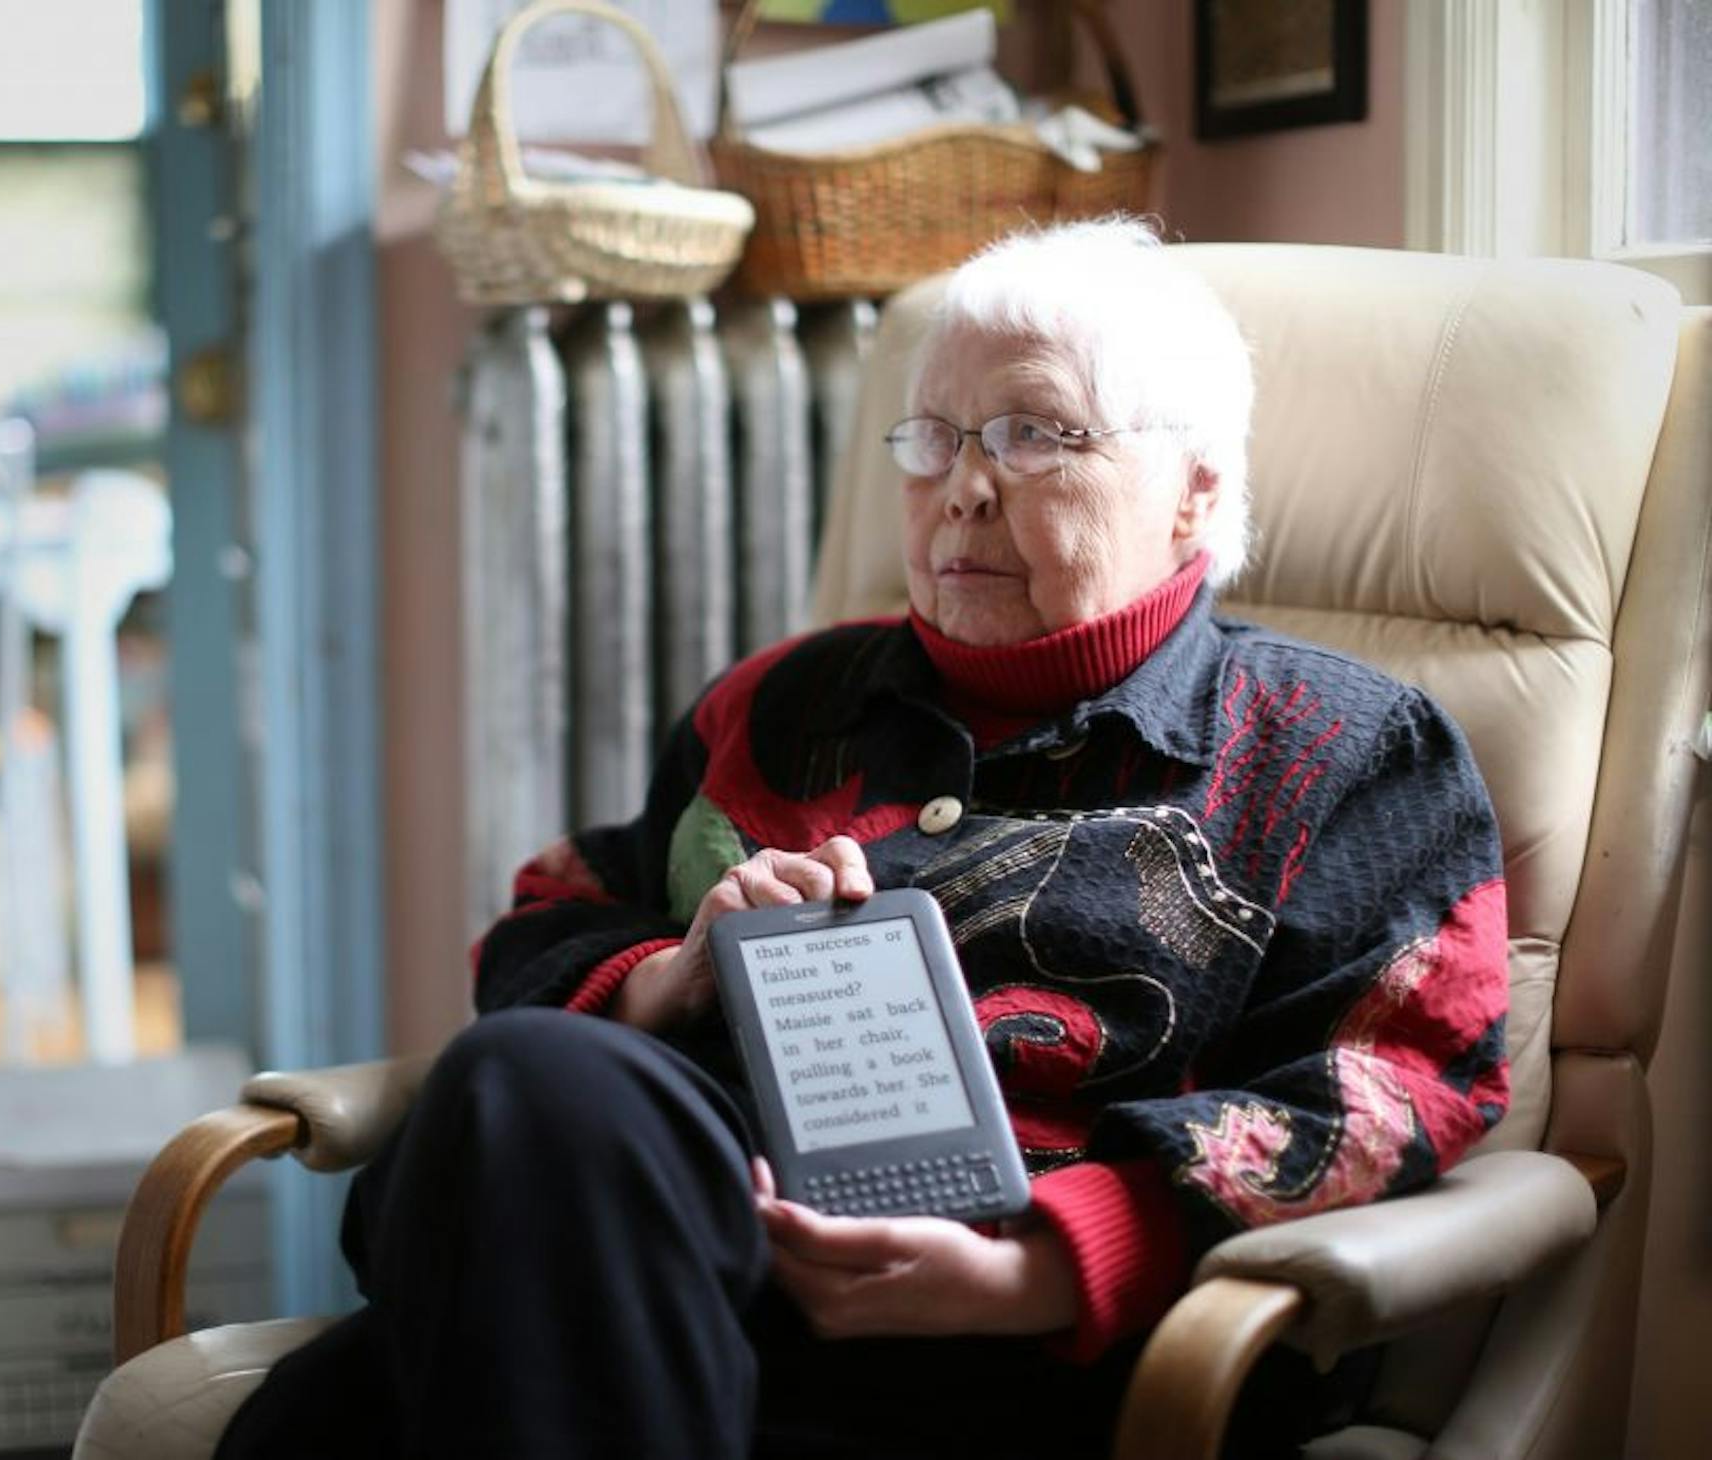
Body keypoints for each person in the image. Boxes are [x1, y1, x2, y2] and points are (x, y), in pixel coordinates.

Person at [215, 219, 1511, 1459]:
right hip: (668, 1252)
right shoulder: (782, 703)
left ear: (1194, 490)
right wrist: (673, 974)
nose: (966, 488)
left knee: (343, 1389)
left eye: (1034, 433)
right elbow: (560, 906)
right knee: (505, 1124)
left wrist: (1035, 1269)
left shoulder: (1343, 748)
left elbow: (1395, 1094)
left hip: (1019, 1350)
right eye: (935, 437)